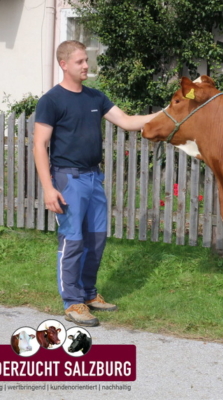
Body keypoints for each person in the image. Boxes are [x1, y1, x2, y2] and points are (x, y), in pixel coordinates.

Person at [33, 40, 160, 327]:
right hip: (67, 179)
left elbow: (127, 122)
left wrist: (167, 114)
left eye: (86, 60)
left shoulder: (95, 97)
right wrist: (48, 187)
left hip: (93, 177)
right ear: (64, 64)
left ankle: (89, 294)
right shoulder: (51, 100)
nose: (86, 65)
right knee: (73, 240)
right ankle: (73, 302)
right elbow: (39, 145)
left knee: (95, 239)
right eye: (80, 61)